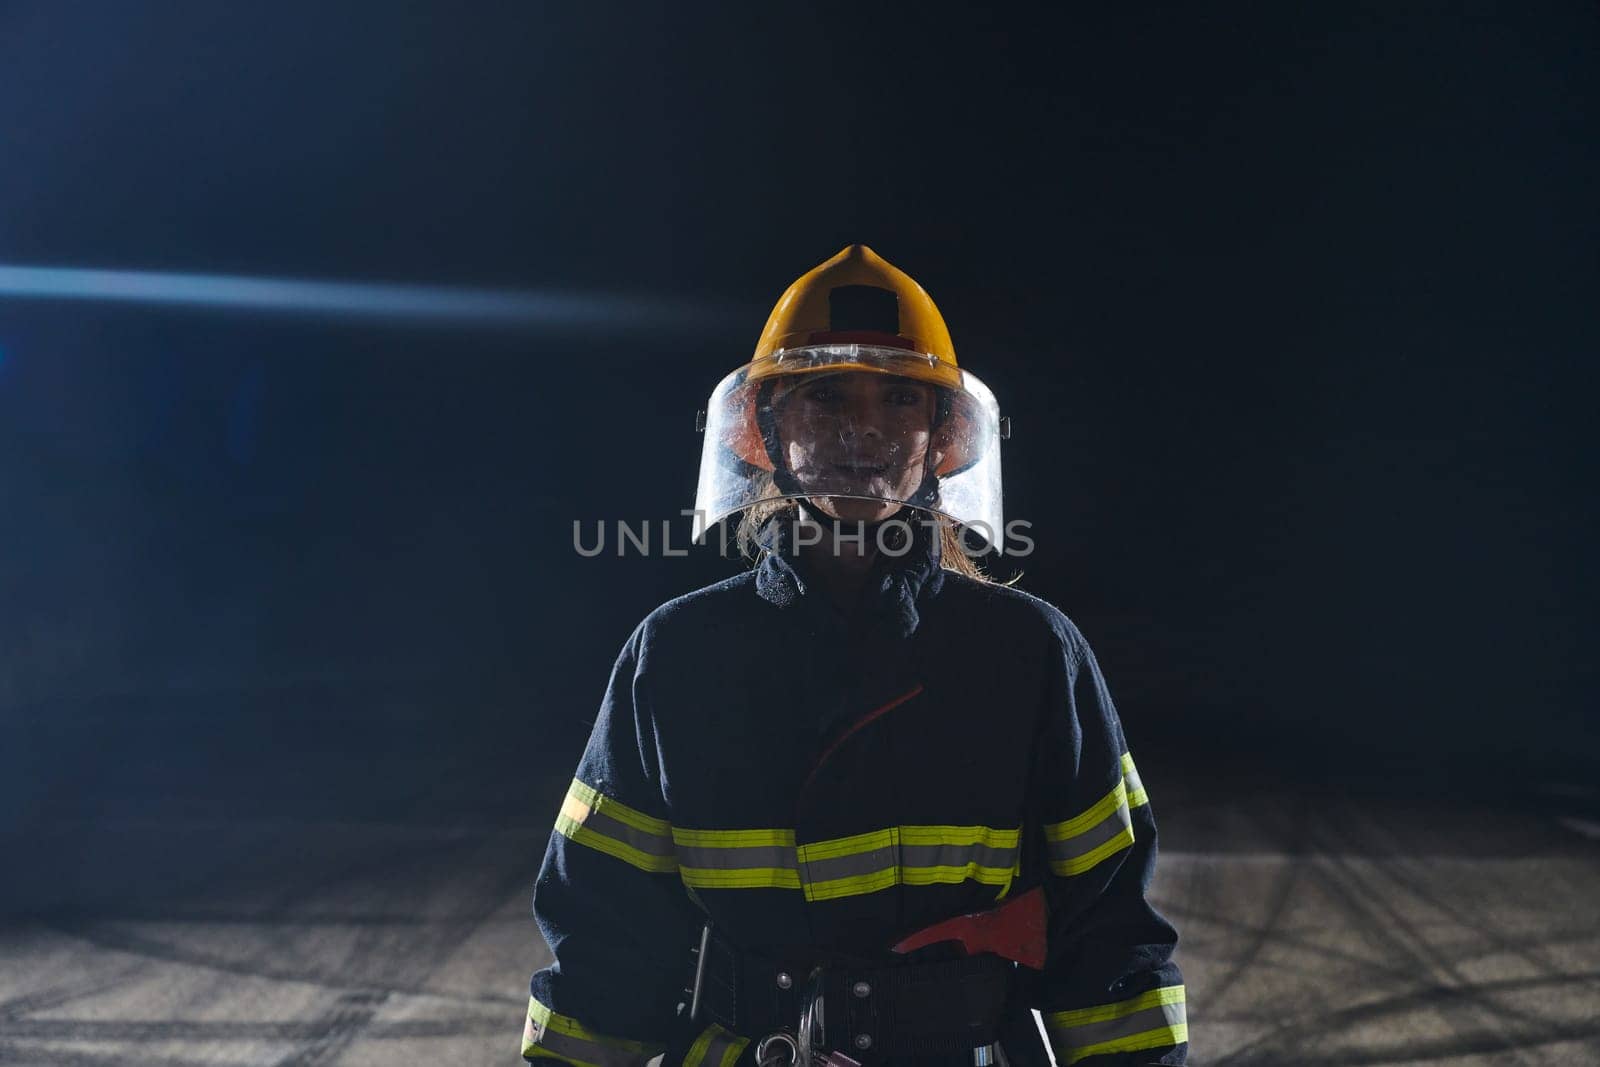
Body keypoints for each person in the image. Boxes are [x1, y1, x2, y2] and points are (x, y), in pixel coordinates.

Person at [521, 245, 1187, 1067]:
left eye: (900, 397)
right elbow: (604, 940)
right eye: (824, 394)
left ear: (940, 437)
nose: (861, 428)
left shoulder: (1029, 652)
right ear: (767, 428)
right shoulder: (678, 654)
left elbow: (1110, 938)